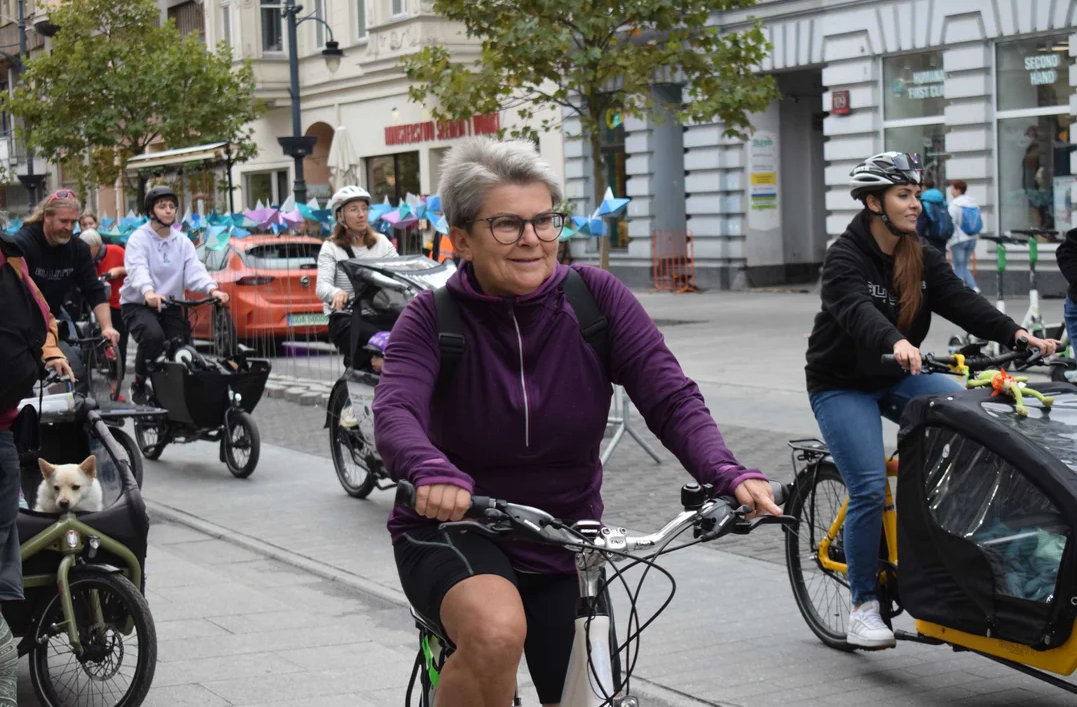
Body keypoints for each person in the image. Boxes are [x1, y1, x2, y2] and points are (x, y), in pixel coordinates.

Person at [373, 137, 779, 707]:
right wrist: (429, 470)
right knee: (496, 633)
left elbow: (669, 395)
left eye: (545, 221)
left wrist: (728, 473)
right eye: (508, 225)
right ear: (461, 238)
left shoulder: (596, 299)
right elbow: (395, 410)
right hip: (458, 527)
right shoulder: (431, 317)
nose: (533, 240)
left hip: (567, 538)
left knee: (590, 694)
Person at [805, 152, 1057, 649]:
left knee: (970, 420)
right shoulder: (845, 257)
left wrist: (1017, 332)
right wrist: (896, 341)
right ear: (873, 202)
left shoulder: (918, 252)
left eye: (917, 194)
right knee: (871, 486)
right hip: (842, 382)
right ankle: (862, 607)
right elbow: (855, 311)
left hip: (900, 375)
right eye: (904, 195)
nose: (915, 204)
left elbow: (960, 299)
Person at [0, 230, 74, 707]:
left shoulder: (13, 261)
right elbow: (43, 318)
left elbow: (43, 317)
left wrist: (51, 352)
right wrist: (50, 353)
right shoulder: (13, 259)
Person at [119, 186, 229, 405]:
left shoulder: (182, 242)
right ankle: (139, 383)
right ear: (151, 211)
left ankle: (176, 398)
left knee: (181, 349)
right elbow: (137, 268)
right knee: (153, 338)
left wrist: (212, 289)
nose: (168, 211)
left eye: (172, 206)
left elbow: (194, 270)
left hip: (170, 304)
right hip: (138, 303)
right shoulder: (139, 239)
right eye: (162, 206)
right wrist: (148, 292)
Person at [13, 190, 119, 351]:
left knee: (75, 356)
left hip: (54, 312)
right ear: (47, 216)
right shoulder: (23, 244)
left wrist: (107, 327)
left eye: (73, 222)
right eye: (63, 221)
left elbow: (93, 289)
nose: (68, 228)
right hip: (22, 316)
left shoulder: (78, 249)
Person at [315, 185, 398, 369]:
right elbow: (322, 287)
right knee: (382, 341)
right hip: (347, 318)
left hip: (379, 314)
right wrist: (336, 293)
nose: (361, 214)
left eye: (364, 208)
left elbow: (400, 274)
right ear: (340, 216)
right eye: (353, 209)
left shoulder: (382, 243)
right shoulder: (331, 248)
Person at [78, 229, 129, 401]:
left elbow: (134, 268)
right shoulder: (84, 259)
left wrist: (119, 270)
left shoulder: (116, 251)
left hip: (117, 303)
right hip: (95, 304)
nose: (85, 254)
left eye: (88, 250)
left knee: (118, 345)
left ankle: (115, 388)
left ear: (97, 246)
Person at [946, 179, 980, 292]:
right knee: (963, 266)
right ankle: (974, 288)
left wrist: (947, 240)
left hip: (959, 240)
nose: (951, 191)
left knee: (958, 267)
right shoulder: (974, 203)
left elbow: (951, 222)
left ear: (958, 190)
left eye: (952, 188)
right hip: (972, 239)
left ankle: (959, 291)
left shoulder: (955, 205)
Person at [915, 175, 952, 253]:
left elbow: (922, 223)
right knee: (941, 259)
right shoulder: (941, 200)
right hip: (942, 235)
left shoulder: (924, 201)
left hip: (930, 237)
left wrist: (917, 236)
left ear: (924, 187)